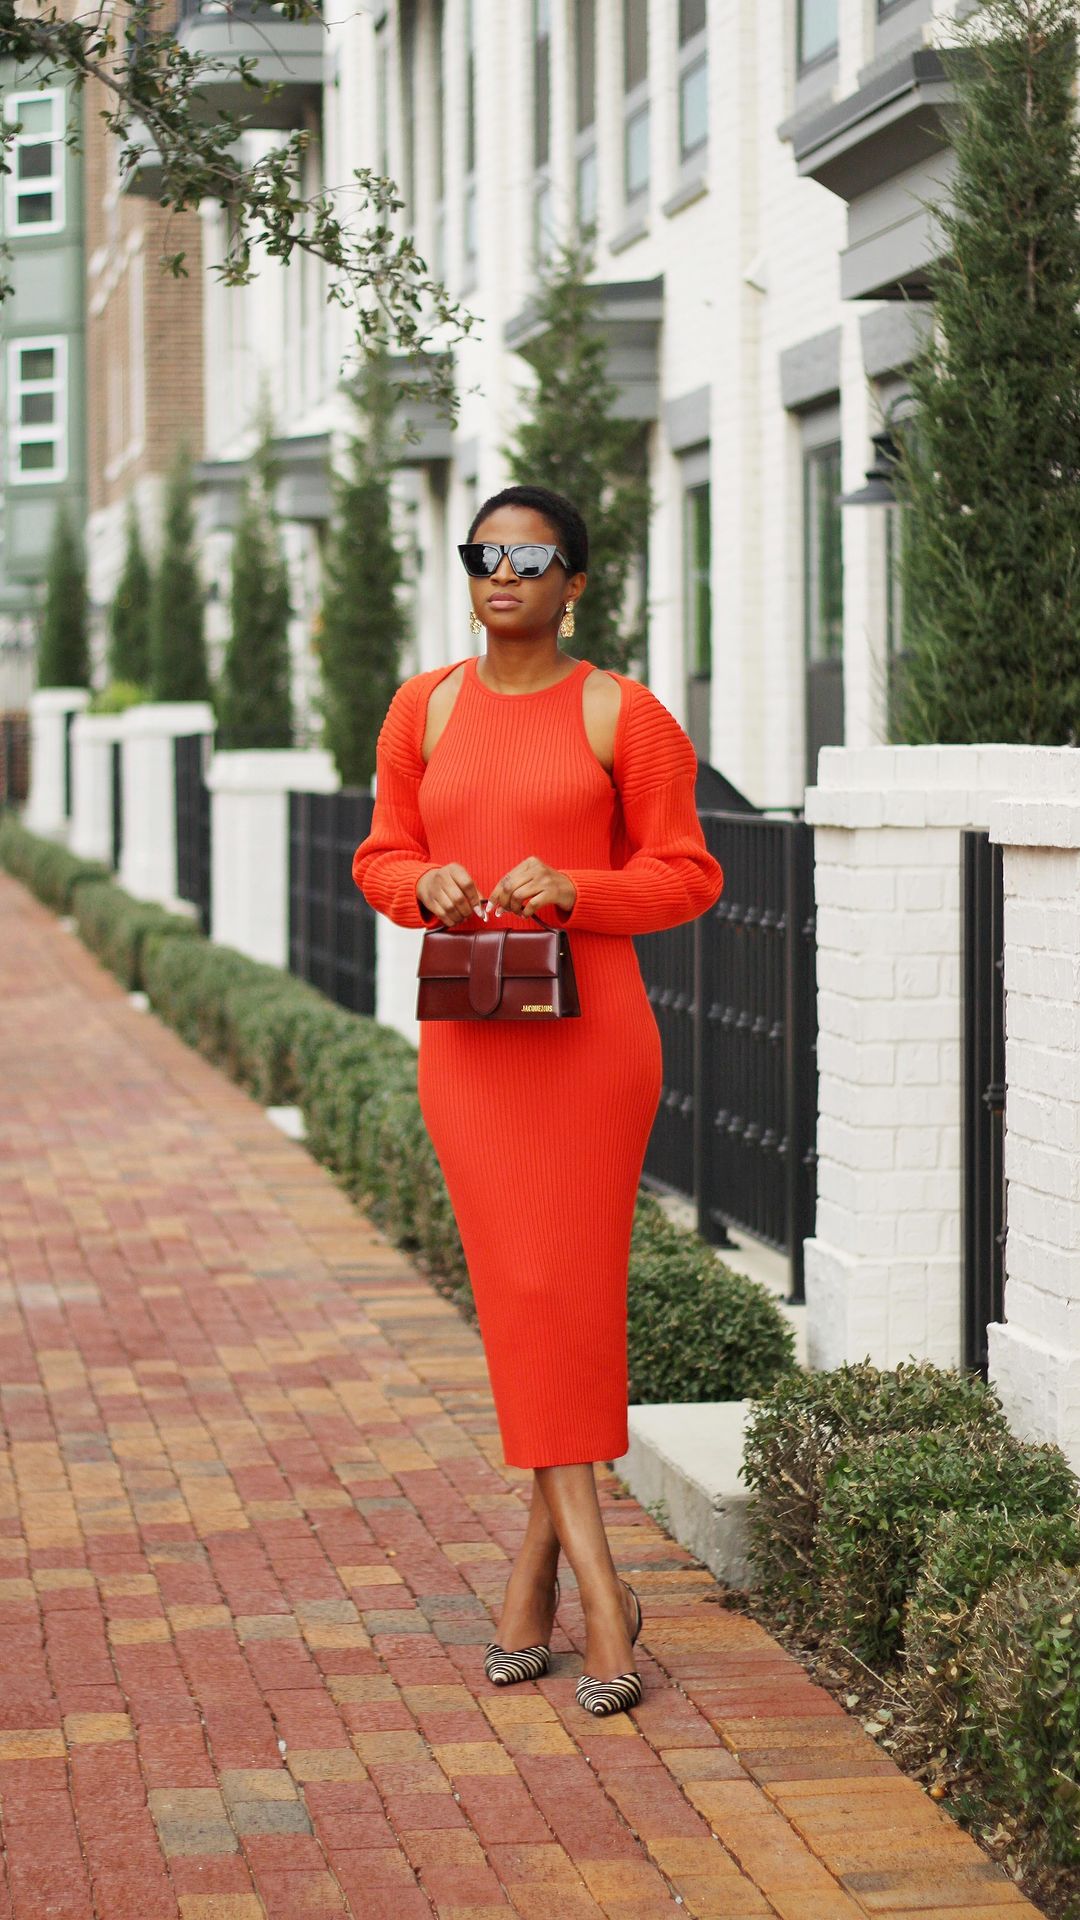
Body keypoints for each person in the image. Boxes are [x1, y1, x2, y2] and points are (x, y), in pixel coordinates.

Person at [352, 484, 724, 1717]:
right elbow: (378, 853)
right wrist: (420, 885)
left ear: (575, 583)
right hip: (472, 1049)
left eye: (530, 557)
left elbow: (689, 874)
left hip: (592, 1047)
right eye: (485, 555)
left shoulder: (625, 712)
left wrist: (575, 888)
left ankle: (567, 1592)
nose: (502, 574)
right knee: (521, 1296)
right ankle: (583, 1588)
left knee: (567, 1300)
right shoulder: (423, 707)